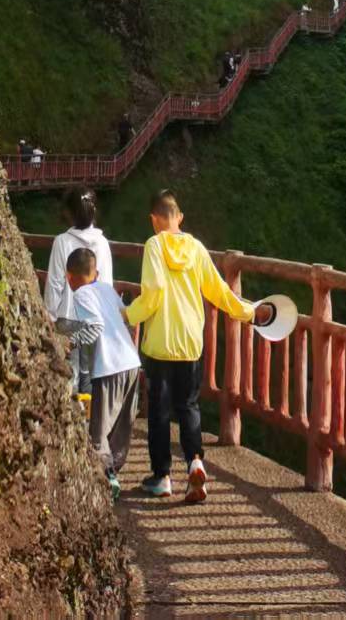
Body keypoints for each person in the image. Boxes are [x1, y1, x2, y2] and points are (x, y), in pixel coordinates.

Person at [125, 189, 274, 502]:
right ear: (179, 217)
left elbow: (152, 294)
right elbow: (219, 292)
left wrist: (127, 314)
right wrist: (248, 313)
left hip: (159, 344)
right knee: (189, 406)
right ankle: (195, 461)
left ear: (154, 220)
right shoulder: (196, 248)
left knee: (159, 412)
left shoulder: (154, 245)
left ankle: (162, 476)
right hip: (191, 342)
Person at [58, 247, 140, 502]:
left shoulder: (81, 294)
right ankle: (113, 472)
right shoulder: (106, 289)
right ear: (96, 272)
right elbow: (125, 318)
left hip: (109, 367)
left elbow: (94, 327)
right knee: (121, 428)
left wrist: (70, 342)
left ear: (69, 277)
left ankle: (107, 478)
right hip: (132, 363)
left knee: (98, 431)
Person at [45, 190, 116, 390]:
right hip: (94, 320)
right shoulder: (102, 244)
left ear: (70, 214)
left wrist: (50, 316)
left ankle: (69, 417)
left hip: (67, 318)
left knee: (68, 376)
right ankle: (89, 418)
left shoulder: (62, 241)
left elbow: (55, 283)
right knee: (92, 376)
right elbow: (107, 285)